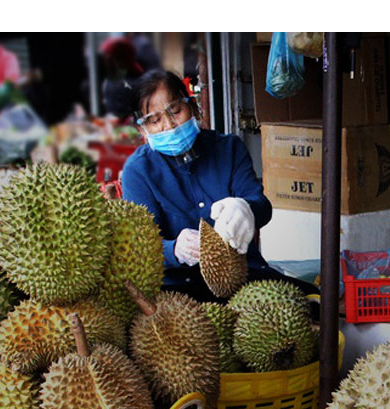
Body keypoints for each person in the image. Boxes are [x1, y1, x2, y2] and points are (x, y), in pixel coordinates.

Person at [120, 69, 316, 302]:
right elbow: (138, 248)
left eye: (175, 111)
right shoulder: (138, 171)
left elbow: (262, 206)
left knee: (317, 303)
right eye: (154, 120)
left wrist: (247, 209)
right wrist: (174, 249)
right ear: (142, 130)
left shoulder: (229, 148)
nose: (169, 125)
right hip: (180, 294)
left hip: (246, 279)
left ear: (191, 106)